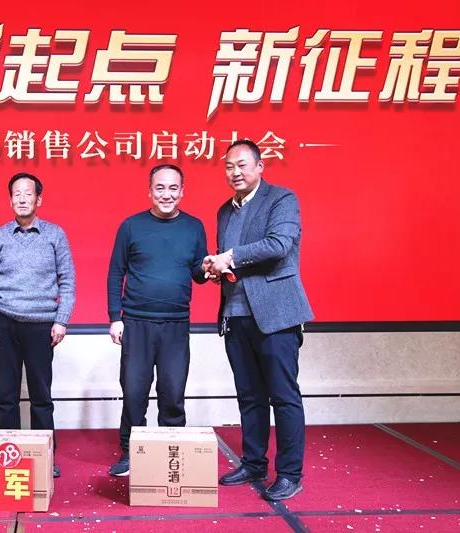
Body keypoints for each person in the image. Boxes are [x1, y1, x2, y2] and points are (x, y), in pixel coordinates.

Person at [205, 139, 313, 501]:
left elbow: (279, 245)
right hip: (235, 315)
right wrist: (216, 268)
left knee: (283, 395)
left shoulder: (281, 199)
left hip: (277, 315)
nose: (235, 172)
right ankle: (253, 463)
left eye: (242, 165)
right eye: (229, 166)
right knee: (249, 396)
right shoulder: (224, 211)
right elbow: (229, 261)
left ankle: (290, 473)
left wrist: (229, 257)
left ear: (260, 166)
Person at [106, 164, 209, 477]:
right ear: (149, 191)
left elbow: (198, 273)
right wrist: (115, 317)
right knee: (134, 392)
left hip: (176, 324)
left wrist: (209, 269)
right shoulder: (131, 226)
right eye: (160, 188)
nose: (167, 194)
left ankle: (170, 453)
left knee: (173, 392)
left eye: (173, 188)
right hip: (136, 323)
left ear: (182, 191)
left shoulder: (194, 227)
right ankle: (130, 452)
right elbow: (116, 273)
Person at [0, 173, 75, 479]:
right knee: (6, 395)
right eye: (16, 194)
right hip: (4, 323)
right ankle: (10, 456)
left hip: (41, 325)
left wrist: (61, 320)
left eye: (28, 193)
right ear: (10, 200)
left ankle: (45, 456)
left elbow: (67, 281)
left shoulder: (55, 235)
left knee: (41, 396)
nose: (22, 199)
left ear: (38, 199)